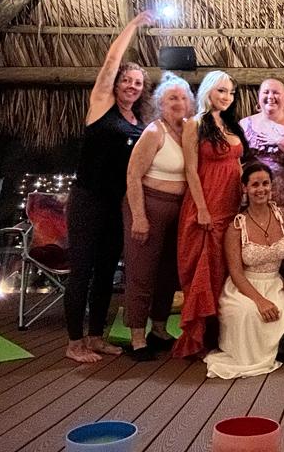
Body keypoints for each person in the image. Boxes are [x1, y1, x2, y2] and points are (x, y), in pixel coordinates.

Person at [64, 11, 154, 363]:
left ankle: (96, 336)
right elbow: (110, 61)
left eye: (138, 83)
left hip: (118, 205)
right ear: (116, 84)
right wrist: (132, 26)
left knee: (106, 271)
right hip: (88, 199)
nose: (132, 86)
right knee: (82, 270)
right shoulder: (101, 107)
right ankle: (74, 342)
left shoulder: (140, 122)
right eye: (126, 80)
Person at [122, 72, 195, 360]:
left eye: (182, 98)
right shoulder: (154, 132)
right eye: (171, 98)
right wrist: (139, 216)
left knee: (168, 273)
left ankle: (160, 329)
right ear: (160, 104)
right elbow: (133, 175)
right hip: (148, 205)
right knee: (141, 272)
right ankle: (137, 337)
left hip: (179, 210)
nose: (178, 102)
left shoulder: (189, 131)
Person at [175, 70, 247, 358]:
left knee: (226, 270)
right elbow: (190, 170)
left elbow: (237, 165)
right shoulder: (194, 124)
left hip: (231, 205)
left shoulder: (230, 125)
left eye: (231, 92)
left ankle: (222, 336)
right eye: (221, 90)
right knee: (205, 271)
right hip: (206, 204)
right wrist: (202, 208)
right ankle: (198, 338)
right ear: (208, 91)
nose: (227, 97)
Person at [205, 163, 284, 379]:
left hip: (276, 283)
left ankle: (273, 349)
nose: (261, 189)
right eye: (255, 185)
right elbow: (236, 272)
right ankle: (247, 357)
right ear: (245, 188)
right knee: (247, 311)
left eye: (265, 183)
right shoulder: (237, 227)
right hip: (244, 286)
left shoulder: (283, 216)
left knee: (281, 310)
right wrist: (260, 301)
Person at [240, 77, 284, 216]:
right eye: (266, 92)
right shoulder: (244, 124)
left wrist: (280, 141)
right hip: (252, 198)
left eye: (276, 93)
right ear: (259, 97)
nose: (270, 96)